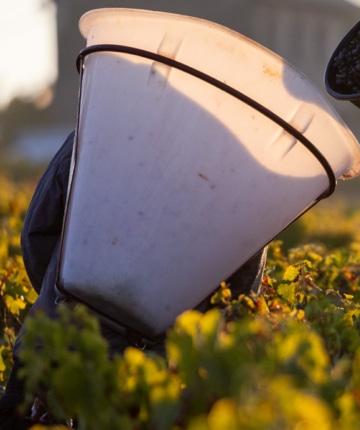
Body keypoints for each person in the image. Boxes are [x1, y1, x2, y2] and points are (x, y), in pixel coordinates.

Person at [0, 131, 267, 428]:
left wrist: (67, 297)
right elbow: (237, 299)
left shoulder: (105, 116)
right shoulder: (250, 175)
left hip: (51, 346)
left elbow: (37, 232)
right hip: (144, 381)